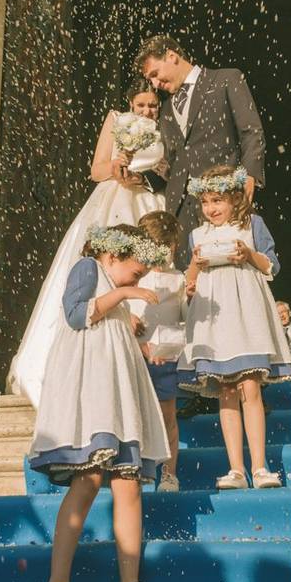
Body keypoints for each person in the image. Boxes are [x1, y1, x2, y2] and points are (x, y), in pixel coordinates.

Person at [28, 224, 171, 582]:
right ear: (112, 255)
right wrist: (124, 292)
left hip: (120, 400)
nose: (138, 280)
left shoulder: (115, 292)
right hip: (94, 399)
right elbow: (75, 315)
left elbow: (109, 330)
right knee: (88, 480)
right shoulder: (88, 267)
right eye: (136, 272)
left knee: (128, 485)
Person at [7, 80, 168, 407]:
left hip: (147, 204)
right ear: (130, 102)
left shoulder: (165, 129)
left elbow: (169, 170)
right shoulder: (116, 120)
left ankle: (152, 360)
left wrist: (146, 178)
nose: (147, 111)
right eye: (141, 105)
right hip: (112, 198)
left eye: (152, 105)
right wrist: (116, 167)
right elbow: (95, 170)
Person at [178, 165, 291, 490]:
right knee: (226, 391)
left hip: (247, 315)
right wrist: (193, 270)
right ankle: (236, 469)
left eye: (217, 201)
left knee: (251, 387)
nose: (211, 209)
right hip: (216, 322)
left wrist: (248, 254)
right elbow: (190, 283)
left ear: (234, 198)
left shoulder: (252, 225)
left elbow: (272, 266)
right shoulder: (198, 235)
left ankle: (259, 467)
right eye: (205, 202)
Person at [135, 35, 266, 268]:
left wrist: (250, 175)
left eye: (155, 73)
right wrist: (140, 178)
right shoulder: (165, 110)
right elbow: (172, 164)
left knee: (227, 271)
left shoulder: (226, 79)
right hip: (180, 212)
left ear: (172, 56)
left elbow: (251, 132)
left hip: (222, 200)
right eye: (149, 79)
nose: (154, 84)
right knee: (189, 283)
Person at [129, 211, 187, 493]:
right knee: (137, 414)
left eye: (168, 247)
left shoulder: (179, 279)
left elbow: (186, 317)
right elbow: (121, 310)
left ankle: (169, 473)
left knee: (167, 417)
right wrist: (131, 325)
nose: (162, 253)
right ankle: (138, 467)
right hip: (137, 357)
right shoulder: (133, 278)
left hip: (167, 355)